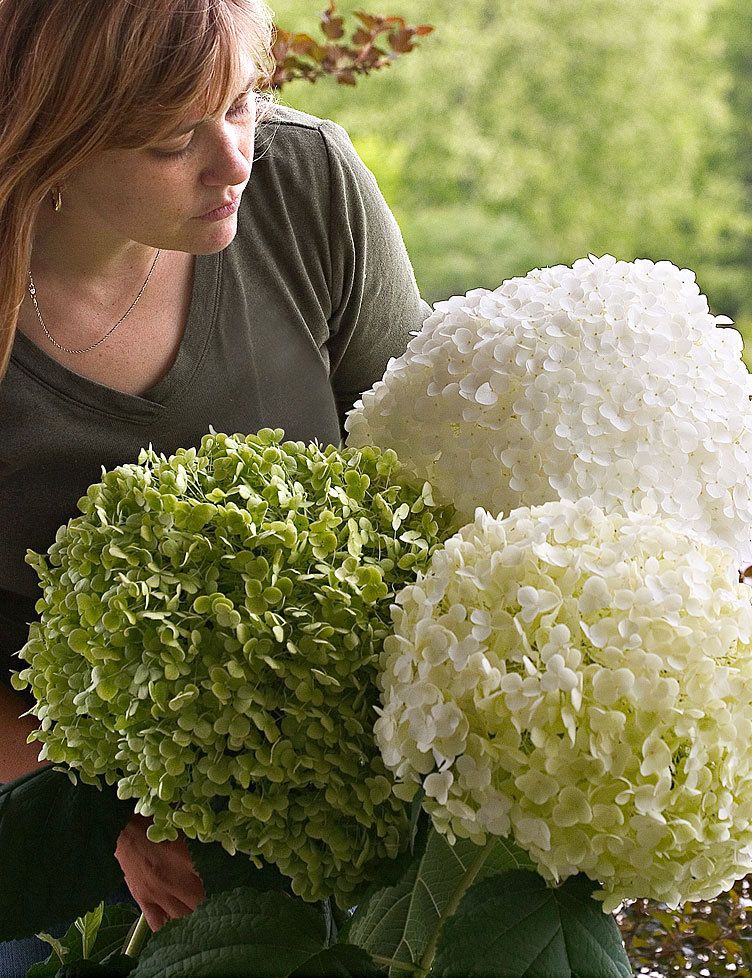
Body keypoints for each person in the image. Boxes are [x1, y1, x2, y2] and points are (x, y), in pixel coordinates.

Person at [0, 0, 431, 972]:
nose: (236, 159)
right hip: (51, 808)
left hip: (362, 779)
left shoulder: (306, 182)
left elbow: (437, 471)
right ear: (50, 140)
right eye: (170, 143)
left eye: (242, 102)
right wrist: (124, 796)